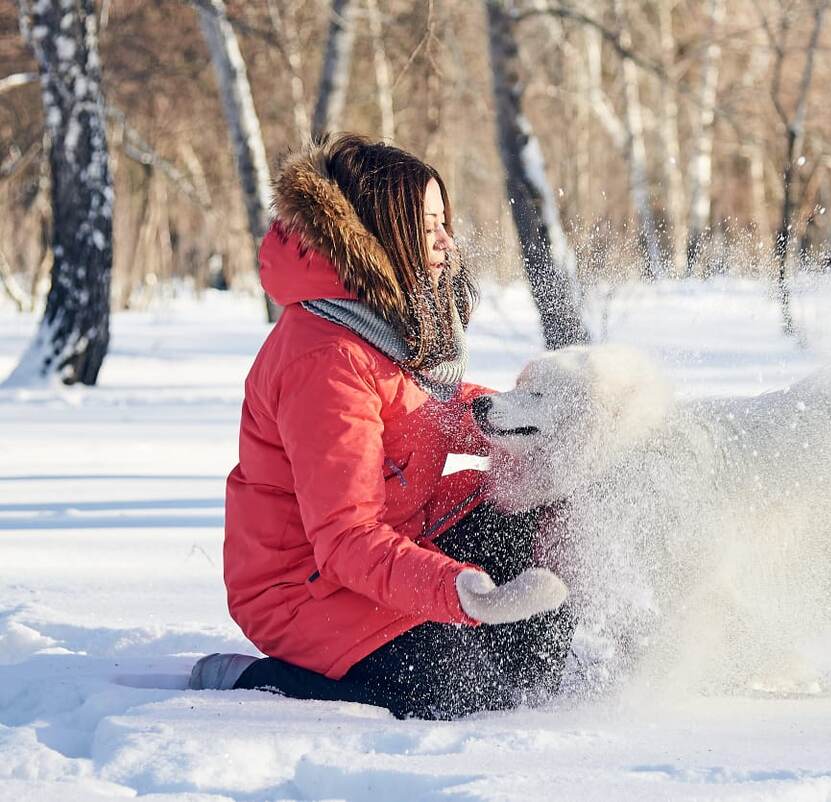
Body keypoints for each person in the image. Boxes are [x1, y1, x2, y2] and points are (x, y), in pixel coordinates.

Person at [188, 134, 574, 719]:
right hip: (305, 587)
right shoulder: (324, 359)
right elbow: (346, 538)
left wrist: (532, 423)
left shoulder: (381, 318)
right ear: (382, 232)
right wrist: (458, 589)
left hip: (397, 536)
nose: (446, 243)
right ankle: (259, 680)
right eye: (428, 227)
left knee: (537, 628)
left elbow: (422, 413)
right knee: (452, 691)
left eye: (446, 223)